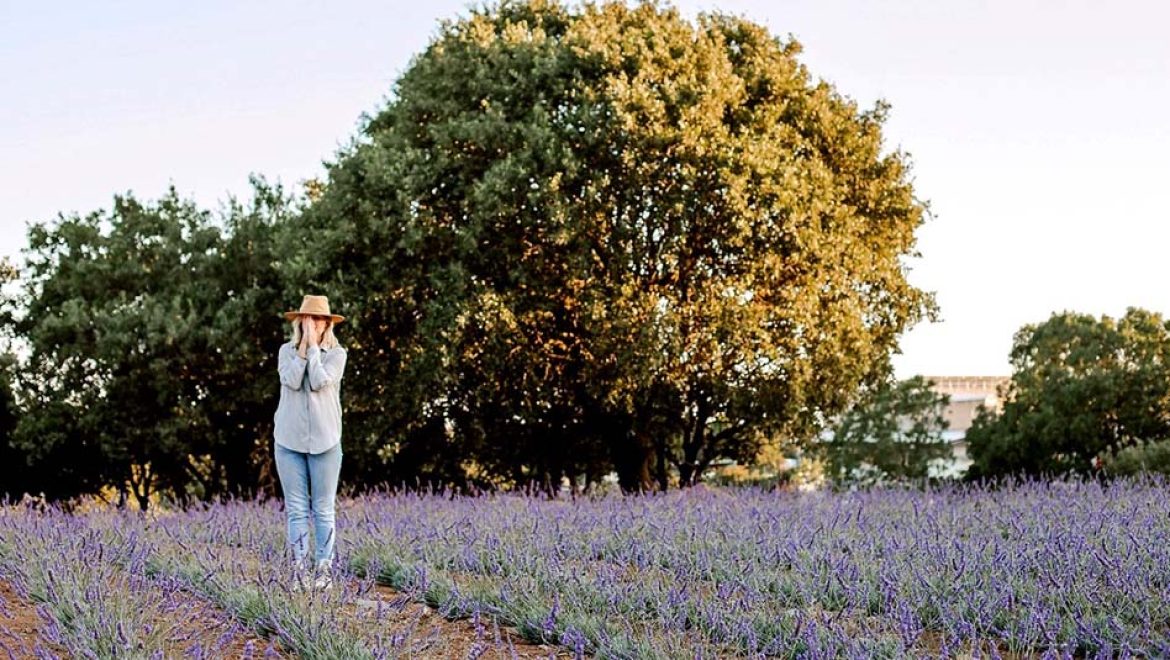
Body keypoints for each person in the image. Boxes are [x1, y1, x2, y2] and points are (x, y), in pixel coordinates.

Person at [273, 294, 348, 592]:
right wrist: (302, 352)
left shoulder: (337, 354)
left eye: (317, 319)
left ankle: (323, 570)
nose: (311, 324)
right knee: (296, 508)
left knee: (323, 507)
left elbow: (318, 381)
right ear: (299, 323)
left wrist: (314, 350)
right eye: (307, 319)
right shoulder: (285, 352)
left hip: (326, 441)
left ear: (326, 324)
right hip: (288, 440)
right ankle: (300, 571)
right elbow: (290, 380)